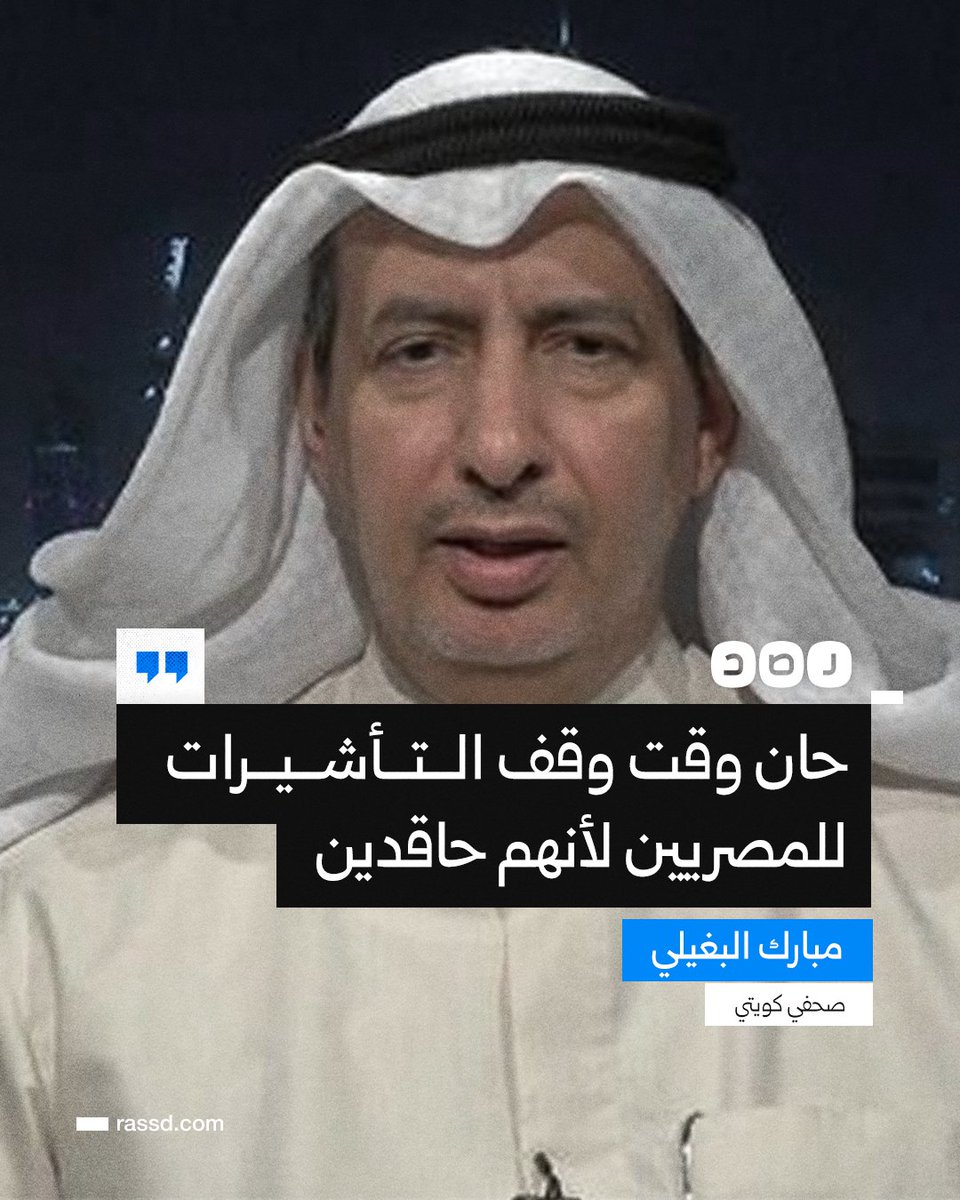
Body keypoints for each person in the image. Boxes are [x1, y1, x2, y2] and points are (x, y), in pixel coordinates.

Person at [0, 48, 958, 1199]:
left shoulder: (928, 904)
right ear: (316, 421)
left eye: (586, 347)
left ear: (710, 424)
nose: (500, 446)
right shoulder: (66, 951)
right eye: (419, 352)